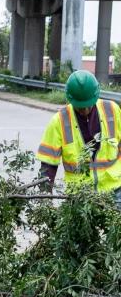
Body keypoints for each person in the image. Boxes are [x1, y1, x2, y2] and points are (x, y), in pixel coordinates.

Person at [36, 70, 120, 207]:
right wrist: (45, 201)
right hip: (79, 195)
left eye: (88, 105)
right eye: (80, 106)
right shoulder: (59, 121)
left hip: (115, 192)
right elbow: (48, 166)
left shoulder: (112, 110)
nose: (85, 110)